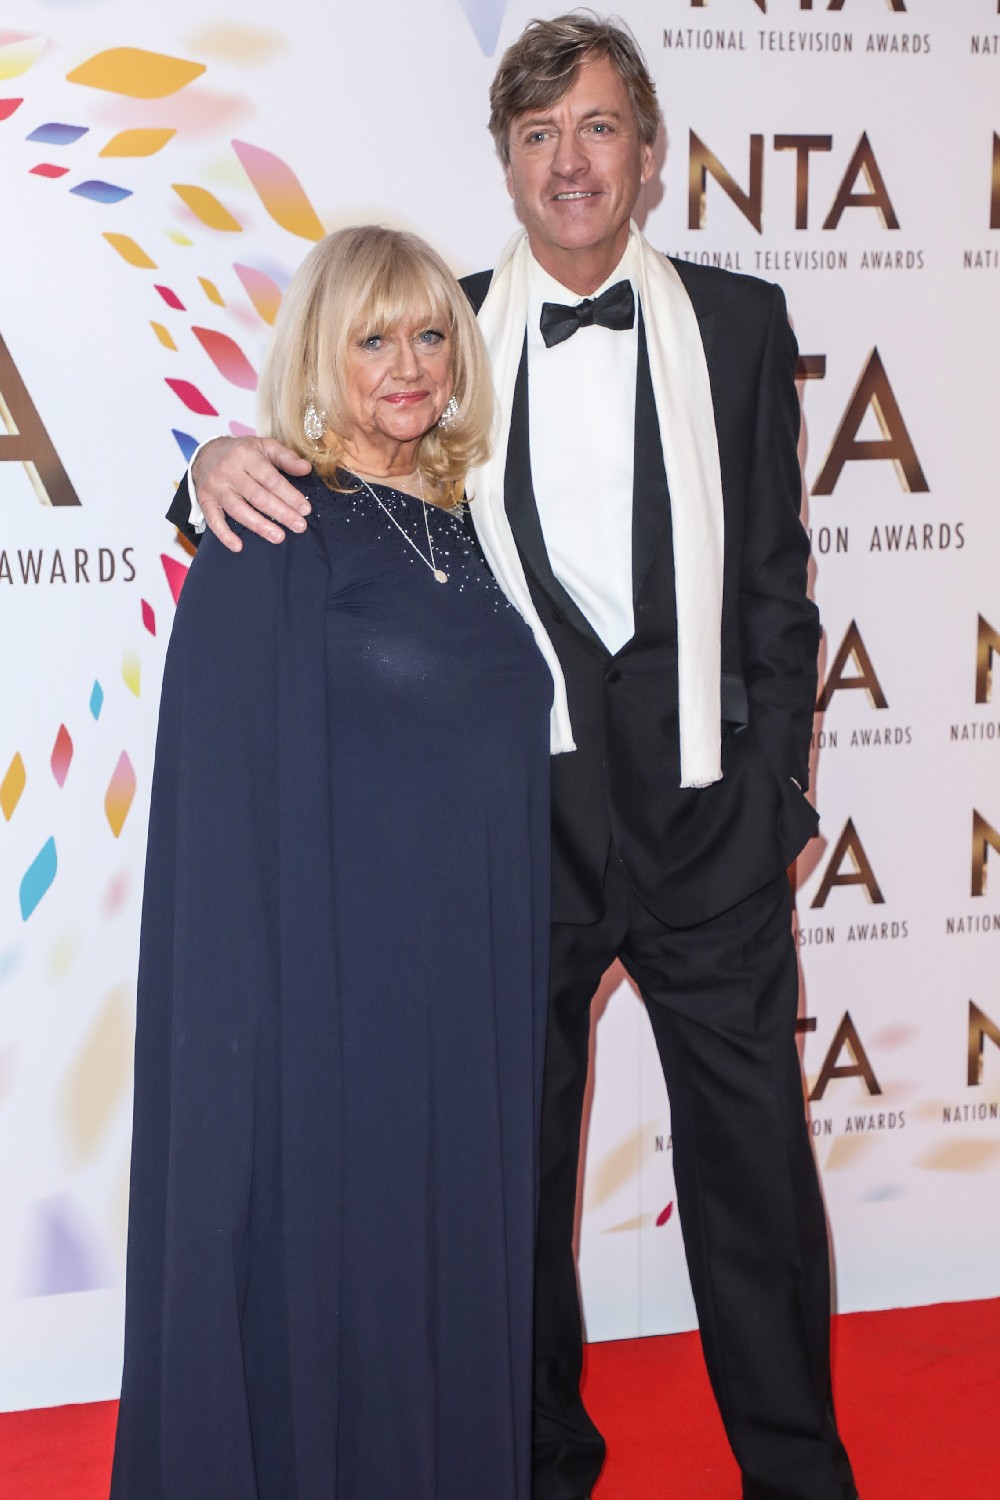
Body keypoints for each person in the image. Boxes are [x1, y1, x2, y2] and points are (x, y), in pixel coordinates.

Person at [167, 16, 859, 1500]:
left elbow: (778, 591)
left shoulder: (738, 326)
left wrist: (777, 806)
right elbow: (329, 469)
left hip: (708, 843)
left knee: (754, 1183)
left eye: (599, 128)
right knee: (510, 1196)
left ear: (650, 153)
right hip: (513, 844)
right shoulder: (449, 328)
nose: (571, 162)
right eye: (539, 135)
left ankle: (799, 1473)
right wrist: (202, 469)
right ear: (506, 161)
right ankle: (538, 1464)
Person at [113, 225, 556, 1499]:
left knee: (447, 1268)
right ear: (319, 353)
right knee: (345, 1277)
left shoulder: (467, 525)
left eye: (428, 335)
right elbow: (221, 823)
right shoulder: (276, 527)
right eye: (372, 339)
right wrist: (204, 459)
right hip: (339, 1005)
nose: (406, 366)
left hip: (463, 995)